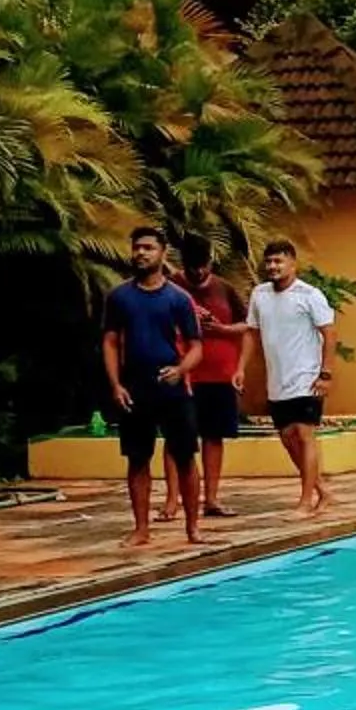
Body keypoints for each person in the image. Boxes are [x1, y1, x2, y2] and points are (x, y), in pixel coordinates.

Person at [100, 224, 205, 550]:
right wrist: (116, 384)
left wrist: (181, 368)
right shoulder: (119, 297)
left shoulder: (178, 298)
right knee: (137, 458)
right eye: (137, 247)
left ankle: (192, 527)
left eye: (148, 247)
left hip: (172, 389)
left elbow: (196, 345)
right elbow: (111, 342)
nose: (141, 253)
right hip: (135, 387)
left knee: (186, 456)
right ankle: (141, 528)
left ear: (162, 253)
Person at [248, 239, 336, 515]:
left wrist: (326, 373)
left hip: (306, 377)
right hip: (278, 381)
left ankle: (305, 501)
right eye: (269, 261)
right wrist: (240, 367)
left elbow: (329, 334)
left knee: (304, 434)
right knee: (287, 438)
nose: (273, 266)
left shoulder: (310, 295)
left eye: (279, 261)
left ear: (292, 264)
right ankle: (322, 491)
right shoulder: (259, 295)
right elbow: (251, 332)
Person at [169, 233, 248, 525]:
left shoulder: (225, 288)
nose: (199, 273)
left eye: (203, 266)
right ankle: (172, 500)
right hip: (185, 373)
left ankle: (211, 499)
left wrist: (220, 329)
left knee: (214, 436)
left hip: (219, 374)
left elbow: (246, 326)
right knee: (178, 437)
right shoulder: (172, 287)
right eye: (193, 267)